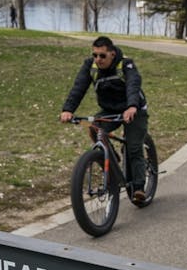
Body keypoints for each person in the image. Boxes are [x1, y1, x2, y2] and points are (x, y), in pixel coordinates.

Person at [59, 36, 150, 202]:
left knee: (133, 146)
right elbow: (78, 87)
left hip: (134, 108)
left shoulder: (125, 64)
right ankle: (112, 160)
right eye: (95, 55)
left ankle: (138, 187)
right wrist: (68, 110)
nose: (98, 59)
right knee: (95, 128)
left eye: (102, 56)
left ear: (112, 54)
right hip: (110, 110)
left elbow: (133, 84)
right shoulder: (90, 66)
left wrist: (131, 106)